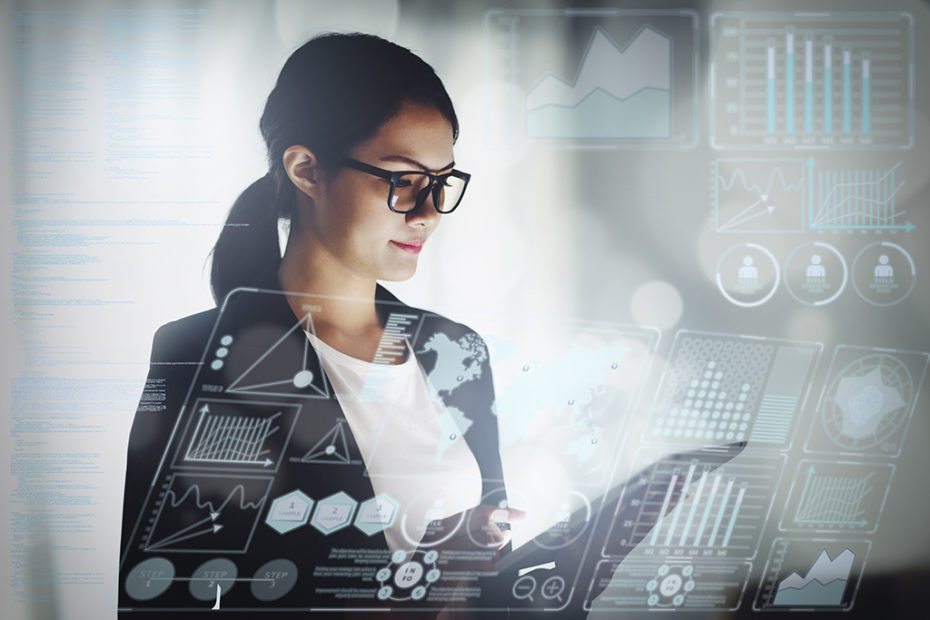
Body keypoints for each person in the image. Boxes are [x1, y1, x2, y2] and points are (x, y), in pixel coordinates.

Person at [118, 33, 524, 619]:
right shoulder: (199, 356)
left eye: (442, 181)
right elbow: (155, 597)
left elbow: (491, 579)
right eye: (402, 179)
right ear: (307, 170)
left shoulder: (456, 350)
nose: (429, 212)